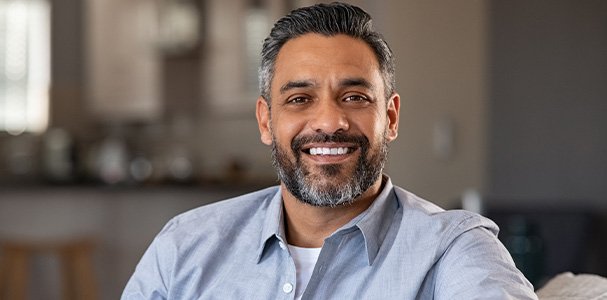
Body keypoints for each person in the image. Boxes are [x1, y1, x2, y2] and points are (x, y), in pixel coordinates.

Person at [122, 2, 537, 299]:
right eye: (300, 99)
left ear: (390, 118)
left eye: (354, 97)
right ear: (266, 121)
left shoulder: (454, 249)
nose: (329, 122)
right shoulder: (185, 245)